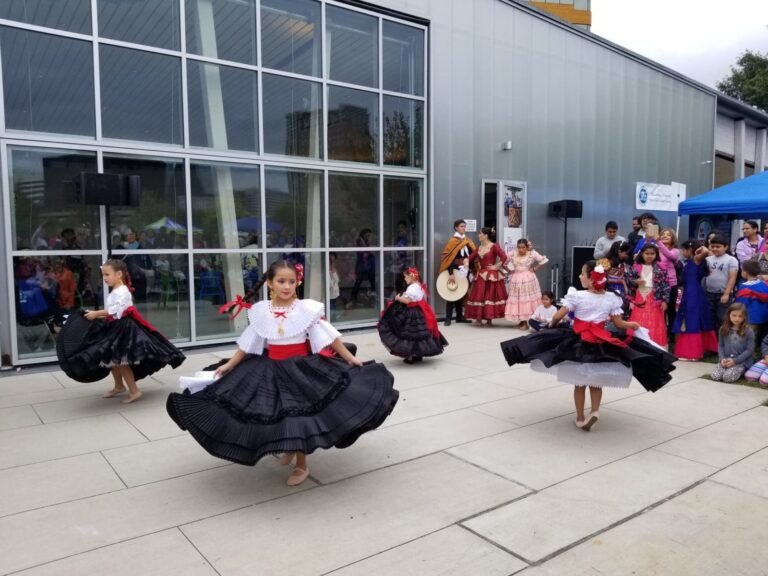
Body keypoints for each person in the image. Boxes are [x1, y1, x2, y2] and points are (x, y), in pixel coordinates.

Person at [166, 260, 399, 486]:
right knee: (277, 412)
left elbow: (329, 337)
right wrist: (231, 364)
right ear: (270, 283)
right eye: (281, 281)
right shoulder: (261, 311)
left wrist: (350, 358)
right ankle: (288, 447)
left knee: (298, 414)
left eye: (291, 281)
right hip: (270, 367)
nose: (287, 286)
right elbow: (249, 342)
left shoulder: (306, 309)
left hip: (301, 369)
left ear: (297, 283)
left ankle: (302, 465)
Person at [500, 261, 676, 431]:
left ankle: (579, 417)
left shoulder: (577, 295)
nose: (580, 276)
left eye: (582, 274)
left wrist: (551, 325)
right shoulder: (611, 298)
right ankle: (595, 411)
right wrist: (633, 325)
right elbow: (619, 323)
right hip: (601, 341)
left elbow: (558, 315)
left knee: (579, 382)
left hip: (578, 341)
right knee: (596, 381)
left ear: (591, 279)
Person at [56, 259, 185, 402]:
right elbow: (112, 312)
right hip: (115, 326)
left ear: (118, 274)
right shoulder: (116, 291)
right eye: (103, 275)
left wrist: (96, 314)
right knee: (111, 359)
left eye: (107, 274)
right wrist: (95, 315)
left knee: (120, 361)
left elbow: (116, 310)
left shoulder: (123, 291)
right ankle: (119, 386)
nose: (104, 278)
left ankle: (134, 391)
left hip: (123, 328)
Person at [378, 267, 447, 363]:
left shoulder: (412, 287)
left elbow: (407, 301)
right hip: (419, 312)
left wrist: (398, 298)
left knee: (409, 335)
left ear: (411, 277)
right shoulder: (419, 285)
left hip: (411, 313)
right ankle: (418, 355)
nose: (404, 279)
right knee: (418, 335)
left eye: (405, 276)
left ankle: (410, 357)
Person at [671, 242, 718, 361]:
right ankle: (696, 350)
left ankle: (692, 353)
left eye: (684, 249)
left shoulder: (696, 259)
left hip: (692, 294)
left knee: (692, 321)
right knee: (693, 320)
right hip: (691, 292)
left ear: (690, 250)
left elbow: (706, 251)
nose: (682, 252)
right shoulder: (692, 261)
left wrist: (697, 249)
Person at [627, 243, 670, 347]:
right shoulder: (635, 267)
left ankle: (655, 344)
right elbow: (629, 281)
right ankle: (638, 344)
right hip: (639, 297)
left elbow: (665, 285)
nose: (649, 256)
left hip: (655, 298)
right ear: (642, 254)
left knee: (654, 320)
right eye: (647, 253)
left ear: (656, 255)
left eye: (652, 253)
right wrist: (635, 282)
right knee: (639, 319)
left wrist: (665, 300)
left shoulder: (661, 268)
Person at [465, 227, 508, 326]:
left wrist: (496, 266)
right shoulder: (479, 248)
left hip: (490, 275)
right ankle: (478, 318)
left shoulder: (494, 246)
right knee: (479, 295)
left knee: (489, 296)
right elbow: (470, 257)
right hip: (481, 274)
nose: (479, 235)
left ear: (486, 235)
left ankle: (489, 319)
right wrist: (466, 261)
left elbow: (504, 256)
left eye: (480, 233)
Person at [505, 238, 549, 330]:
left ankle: (526, 322)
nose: (521, 249)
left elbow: (544, 260)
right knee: (518, 299)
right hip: (516, 278)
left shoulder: (531, 253)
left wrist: (535, 268)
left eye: (523, 247)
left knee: (525, 298)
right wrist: (509, 270)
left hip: (527, 278)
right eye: (519, 247)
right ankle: (521, 321)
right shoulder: (513, 253)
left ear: (526, 247)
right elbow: (503, 262)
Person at [439, 219, 476, 326]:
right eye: (461, 226)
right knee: (451, 293)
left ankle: (460, 316)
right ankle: (448, 318)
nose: (463, 228)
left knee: (462, 292)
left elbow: (473, 255)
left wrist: (471, 268)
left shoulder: (468, 241)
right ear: (456, 228)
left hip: (465, 269)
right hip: (454, 269)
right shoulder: (452, 241)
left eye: (464, 226)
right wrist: (450, 273)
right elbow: (448, 258)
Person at [711, 303, 753, 383]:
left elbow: (749, 350)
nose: (737, 318)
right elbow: (721, 346)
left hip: (741, 362)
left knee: (727, 378)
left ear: (744, 317)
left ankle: (742, 370)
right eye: (734, 315)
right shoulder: (723, 329)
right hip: (726, 360)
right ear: (728, 315)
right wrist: (722, 359)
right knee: (715, 376)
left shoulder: (748, 331)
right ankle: (726, 368)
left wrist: (735, 361)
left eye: (740, 316)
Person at [705, 234, 739, 330]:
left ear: (726, 247)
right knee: (709, 318)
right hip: (709, 293)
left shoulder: (731, 260)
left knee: (722, 318)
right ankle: (712, 338)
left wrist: (726, 294)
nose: (715, 249)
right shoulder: (707, 259)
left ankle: (722, 338)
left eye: (718, 247)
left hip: (723, 294)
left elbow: (732, 278)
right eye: (713, 246)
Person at [734, 259, 768, 340]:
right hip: (764, 316)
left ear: (745, 272)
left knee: (748, 337)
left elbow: (741, 304)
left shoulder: (745, 287)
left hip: (751, 318)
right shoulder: (763, 284)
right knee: (759, 336)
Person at [656, 228, 681, 333]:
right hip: (657, 284)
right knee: (659, 310)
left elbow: (670, 256)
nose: (665, 236)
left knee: (670, 310)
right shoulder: (655, 249)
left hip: (671, 284)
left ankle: (671, 334)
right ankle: (660, 332)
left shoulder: (675, 251)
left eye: (668, 235)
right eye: (663, 234)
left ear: (673, 238)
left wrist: (658, 242)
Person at [349, 229, 376, 307]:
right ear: (363, 235)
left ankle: (373, 298)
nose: (369, 237)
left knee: (372, 281)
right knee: (358, 282)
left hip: (369, 266)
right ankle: (353, 298)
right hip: (362, 266)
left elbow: (369, 252)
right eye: (367, 235)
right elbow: (363, 251)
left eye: (369, 235)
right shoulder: (359, 241)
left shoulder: (367, 242)